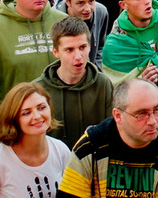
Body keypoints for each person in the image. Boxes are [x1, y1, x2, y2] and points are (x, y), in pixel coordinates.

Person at [56, 78, 158, 198]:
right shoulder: (91, 145)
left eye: (156, 110)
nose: (153, 121)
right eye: (141, 114)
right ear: (118, 116)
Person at [0, 82, 72, 198]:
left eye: (42, 108)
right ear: (13, 119)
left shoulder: (60, 150)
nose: (37, 116)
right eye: (26, 113)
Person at [34, 17, 113, 149]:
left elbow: (112, 130)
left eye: (82, 47)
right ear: (56, 52)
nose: (78, 56)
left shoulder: (103, 84)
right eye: (69, 50)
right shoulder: (38, 89)